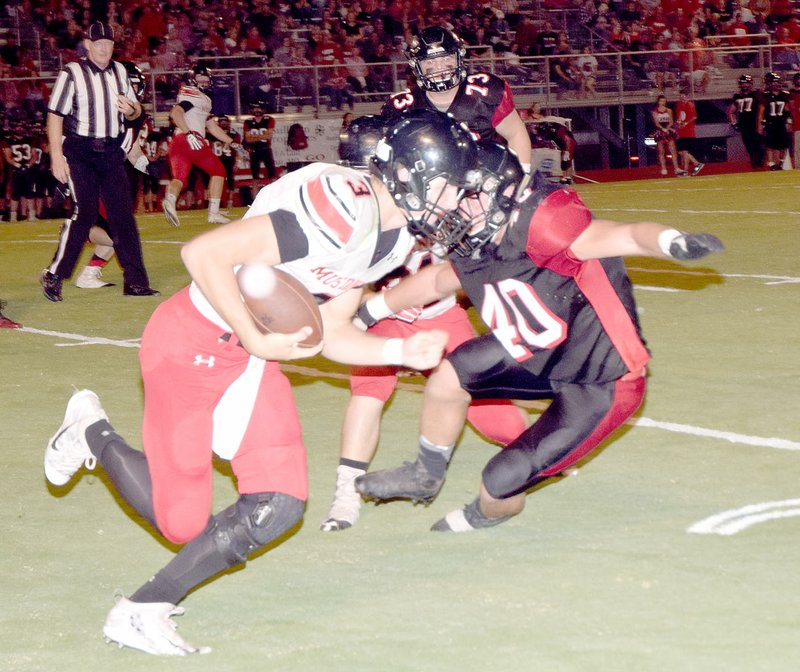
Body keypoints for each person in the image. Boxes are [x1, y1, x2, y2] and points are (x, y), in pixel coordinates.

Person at [42, 112, 467, 656]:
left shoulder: (387, 240)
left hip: (249, 360)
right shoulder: (342, 205)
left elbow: (330, 332)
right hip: (191, 344)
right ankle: (90, 432)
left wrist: (397, 350)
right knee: (183, 523)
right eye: (451, 185)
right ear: (413, 174)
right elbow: (204, 253)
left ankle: (141, 609)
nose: (456, 201)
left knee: (280, 503)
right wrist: (255, 337)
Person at [354, 115, 725, 532]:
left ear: (500, 194)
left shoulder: (544, 225)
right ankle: (426, 474)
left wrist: (670, 241)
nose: (460, 208)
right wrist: (371, 311)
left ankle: (485, 513)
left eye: (471, 198)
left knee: (499, 485)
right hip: (535, 354)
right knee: (448, 377)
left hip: (600, 380)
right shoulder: (472, 233)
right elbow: (440, 279)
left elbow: (625, 235)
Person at [320, 115, 529, 532]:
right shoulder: (355, 216)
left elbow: (465, 265)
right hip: (382, 315)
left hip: (440, 314)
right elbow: (335, 286)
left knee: (497, 415)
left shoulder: (437, 192)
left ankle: (541, 453)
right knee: (369, 392)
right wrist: (374, 302)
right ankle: (346, 490)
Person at [40, 21, 158, 302]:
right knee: (85, 213)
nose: (105, 48)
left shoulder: (120, 71)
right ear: (88, 45)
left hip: (111, 151)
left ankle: (136, 282)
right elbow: (55, 115)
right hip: (80, 150)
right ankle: (55, 274)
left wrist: (132, 109)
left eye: (109, 44)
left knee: (123, 218)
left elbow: (135, 113)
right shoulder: (72, 73)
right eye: (99, 44)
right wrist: (56, 156)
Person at [380, 26, 532, 170]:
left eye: (446, 58)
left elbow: (516, 134)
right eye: (430, 61)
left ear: (459, 57)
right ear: (416, 66)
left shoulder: (485, 91)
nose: (439, 67)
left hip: (481, 185)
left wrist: (518, 181)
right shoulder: (401, 106)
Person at [74, 61, 162, 290]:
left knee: (118, 234)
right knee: (119, 235)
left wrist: (148, 166)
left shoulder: (133, 116)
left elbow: (132, 150)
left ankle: (89, 273)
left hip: (114, 180)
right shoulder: (103, 113)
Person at [162, 64, 242, 227]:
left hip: (177, 142)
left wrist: (231, 142)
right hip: (192, 139)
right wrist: (189, 133)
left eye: (206, 79)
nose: (204, 82)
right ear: (193, 79)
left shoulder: (203, 99)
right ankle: (213, 213)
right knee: (218, 171)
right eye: (201, 79)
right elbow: (176, 113)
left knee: (180, 179)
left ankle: (170, 200)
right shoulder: (195, 95)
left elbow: (212, 127)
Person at [758, 72, 793, 171]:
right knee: (770, 145)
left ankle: (781, 162)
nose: (775, 84)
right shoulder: (765, 96)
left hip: (781, 123)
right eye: (773, 82)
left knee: (784, 145)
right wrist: (760, 125)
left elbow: (787, 110)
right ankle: (772, 164)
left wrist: (789, 122)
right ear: (769, 83)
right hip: (770, 123)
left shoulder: (784, 95)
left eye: (777, 82)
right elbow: (761, 111)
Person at [728, 74, 764, 170]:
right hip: (744, 124)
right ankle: (755, 165)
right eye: (743, 83)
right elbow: (731, 111)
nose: (745, 85)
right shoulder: (737, 96)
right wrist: (734, 123)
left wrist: (762, 122)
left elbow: (762, 107)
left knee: (759, 145)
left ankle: (759, 163)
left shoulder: (756, 94)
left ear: (751, 84)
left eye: (747, 83)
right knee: (749, 146)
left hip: (755, 123)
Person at [242, 102, 276, 192]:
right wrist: (262, 136)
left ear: (263, 109)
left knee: (272, 175)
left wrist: (254, 137)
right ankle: (254, 200)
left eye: (259, 108)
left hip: (266, 150)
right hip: (254, 151)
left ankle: (275, 196)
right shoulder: (248, 121)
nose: (257, 110)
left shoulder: (269, 119)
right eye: (255, 108)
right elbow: (248, 139)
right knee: (255, 177)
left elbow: (268, 136)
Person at [650, 95, 684, 177]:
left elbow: (671, 121)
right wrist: (662, 129)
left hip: (668, 130)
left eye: (664, 101)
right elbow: (656, 123)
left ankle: (676, 168)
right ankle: (663, 168)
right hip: (659, 131)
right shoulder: (654, 111)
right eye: (661, 101)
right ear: (658, 102)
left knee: (673, 150)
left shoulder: (669, 110)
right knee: (661, 151)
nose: (663, 103)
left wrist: (667, 129)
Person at [674, 89, 704, 176]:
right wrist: (679, 123)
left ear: (687, 97)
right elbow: (679, 116)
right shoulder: (679, 104)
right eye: (681, 96)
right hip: (681, 131)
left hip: (689, 132)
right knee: (683, 152)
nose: (682, 98)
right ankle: (695, 164)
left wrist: (686, 123)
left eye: (684, 96)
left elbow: (694, 116)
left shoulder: (690, 104)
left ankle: (689, 169)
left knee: (684, 152)